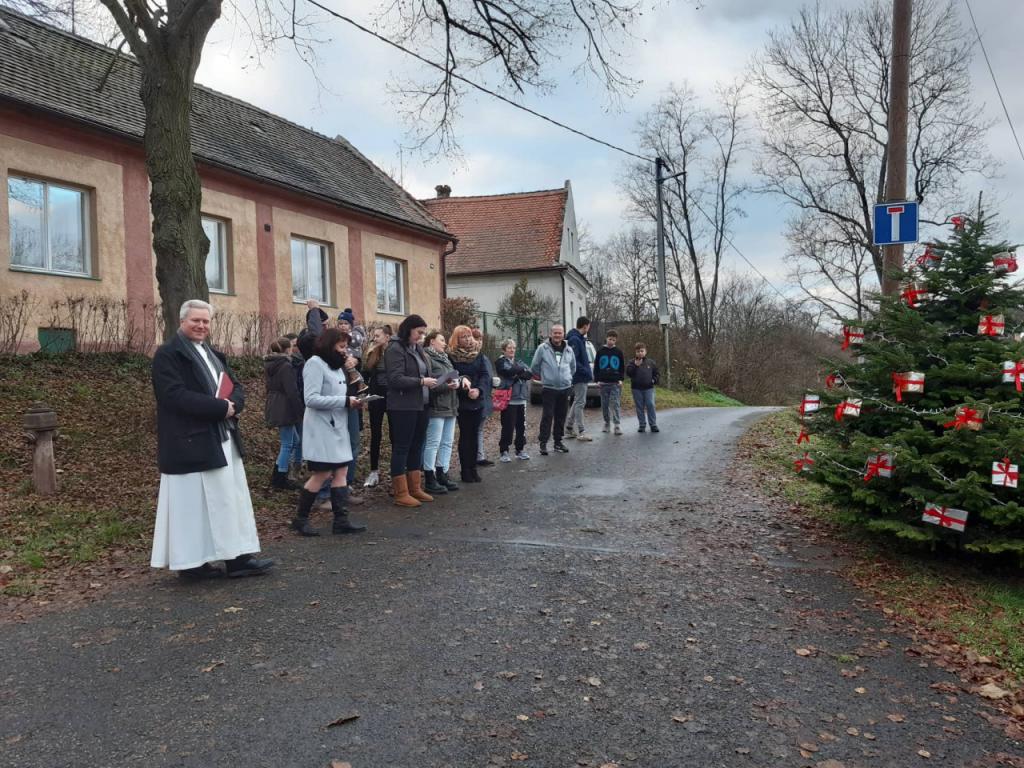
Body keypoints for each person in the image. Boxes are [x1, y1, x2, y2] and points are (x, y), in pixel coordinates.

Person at [150, 299, 273, 579]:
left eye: (205, 321)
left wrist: (234, 404)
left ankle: (237, 558)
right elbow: (172, 396)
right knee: (191, 506)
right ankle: (192, 565)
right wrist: (220, 408)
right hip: (189, 441)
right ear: (182, 321)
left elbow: (235, 386)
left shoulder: (213, 353)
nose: (201, 326)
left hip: (221, 438)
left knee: (229, 500)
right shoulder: (167, 355)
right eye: (196, 320)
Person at [291, 328, 368, 536]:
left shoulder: (336, 366)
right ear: (329, 344)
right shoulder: (314, 364)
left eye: (346, 347)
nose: (345, 351)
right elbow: (311, 399)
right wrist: (344, 402)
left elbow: (342, 393)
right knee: (322, 473)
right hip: (322, 427)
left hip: (338, 426)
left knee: (341, 471)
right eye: (341, 346)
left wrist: (355, 401)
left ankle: (341, 520)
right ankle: (301, 519)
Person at [385, 314, 437, 507]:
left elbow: (424, 372)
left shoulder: (417, 349)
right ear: (409, 329)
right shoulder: (395, 349)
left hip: (420, 405)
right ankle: (400, 492)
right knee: (402, 447)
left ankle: (415, 488)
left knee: (417, 444)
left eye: (423, 333)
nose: (421, 337)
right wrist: (421, 382)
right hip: (402, 406)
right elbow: (395, 378)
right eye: (419, 332)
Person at [422, 330, 463, 494]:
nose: (444, 343)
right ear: (432, 341)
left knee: (447, 442)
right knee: (433, 443)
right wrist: (447, 385)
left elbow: (452, 377)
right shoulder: (427, 357)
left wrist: (458, 382)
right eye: (441, 340)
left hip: (451, 406)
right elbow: (430, 384)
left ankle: (443, 473)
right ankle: (429, 477)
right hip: (437, 407)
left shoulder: (446, 358)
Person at [449, 324, 489, 482]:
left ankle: (473, 468)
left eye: (468, 336)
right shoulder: (451, 356)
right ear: (456, 339)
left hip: (477, 398)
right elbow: (453, 376)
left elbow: (485, 375)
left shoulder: (478, 354)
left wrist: (479, 390)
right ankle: (465, 470)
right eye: (463, 337)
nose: (467, 339)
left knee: (474, 435)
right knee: (466, 436)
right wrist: (467, 391)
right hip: (462, 400)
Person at [264, 336, 303, 490]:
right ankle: (280, 477)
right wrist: (300, 409)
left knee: (295, 440)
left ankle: (279, 472)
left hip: (275, 403)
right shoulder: (286, 366)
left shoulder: (270, 363)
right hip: (284, 406)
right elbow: (291, 390)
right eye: (293, 346)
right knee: (287, 444)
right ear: (287, 349)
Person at [530, 323, 575, 456]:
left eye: (560, 333)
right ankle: (543, 443)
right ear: (551, 334)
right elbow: (534, 366)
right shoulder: (542, 348)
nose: (557, 335)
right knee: (547, 416)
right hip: (549, 388)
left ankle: (558, 442)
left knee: (561, 416)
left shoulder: (568, 349)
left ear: (563, 334)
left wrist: (567, 378)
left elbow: (573, 367)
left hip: (565, 388)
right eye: (555, 332)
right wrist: (546, 377)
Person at [362, 324, 392, 488]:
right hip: (376, 398)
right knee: (376, 435)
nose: (375, 338)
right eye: (374, 335)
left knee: (395, 434)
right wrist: (366, 396)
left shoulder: (395, 353)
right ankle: (374, 471)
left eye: (378, 335)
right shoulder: (372, 353)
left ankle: (397, 472)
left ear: (387, 337)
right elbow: (365, 376)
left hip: (394, 398)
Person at [495, 339, 533, 462]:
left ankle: (520, 449)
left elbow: (529, 374)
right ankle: (504, 451)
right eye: (509, 348)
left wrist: (517, 372)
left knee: (521, 426)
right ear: (504, 350)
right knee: (508, 426)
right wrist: (520, 370)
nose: (512, 350)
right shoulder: (501, 362)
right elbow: (506, 372)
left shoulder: (517, 362)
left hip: (521, 398)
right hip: (509, 399)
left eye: (514, 348)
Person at [471, 327, 497, 467]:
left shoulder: (484, 357)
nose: (479, 342)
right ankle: (472, 456)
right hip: (474, 398)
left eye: (480, 339)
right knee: (473, 429)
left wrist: (494, 383)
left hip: (485, 397)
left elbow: (487, 376)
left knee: (480, 429)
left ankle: (480, 456)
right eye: (476, 338)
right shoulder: (469, 357)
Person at [566, 316, 594, 441]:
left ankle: (569, 427)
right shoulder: (575, 340)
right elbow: (574, 361)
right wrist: (586, 371)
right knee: (580, 403)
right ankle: (581, 431)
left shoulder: (578, 339)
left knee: (577, 401)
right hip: (579, 376)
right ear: (585, 326)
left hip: (580, 376)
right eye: (589, 326)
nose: (589, 328)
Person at [594, 330, 625, 435]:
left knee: (615, 403)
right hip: (603, 383)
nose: (611, 341)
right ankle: (607, 423)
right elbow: (596, 367)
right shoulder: (600, 351)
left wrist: (621, 379)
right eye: (610, 339)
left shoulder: (618, 352)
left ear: (616, 340)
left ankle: (617, 425)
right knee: (604, 404)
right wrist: (597, 379)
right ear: (606, 338)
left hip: (615, 383)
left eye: (613, 340)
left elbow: (621, 367)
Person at [626, 342, 660, 433]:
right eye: (638, 351)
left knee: (650, 404)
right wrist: (635, 366)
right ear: (635, 352)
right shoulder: (631, 362)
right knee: (639, 407)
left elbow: (657, 374)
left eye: (642, 351)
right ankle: (642, 424)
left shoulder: (651, 362)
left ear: (645, 352)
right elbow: (629, 373)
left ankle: (653, 424)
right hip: (636, 388)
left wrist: (654, 380)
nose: (640, 353)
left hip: (649, 388)